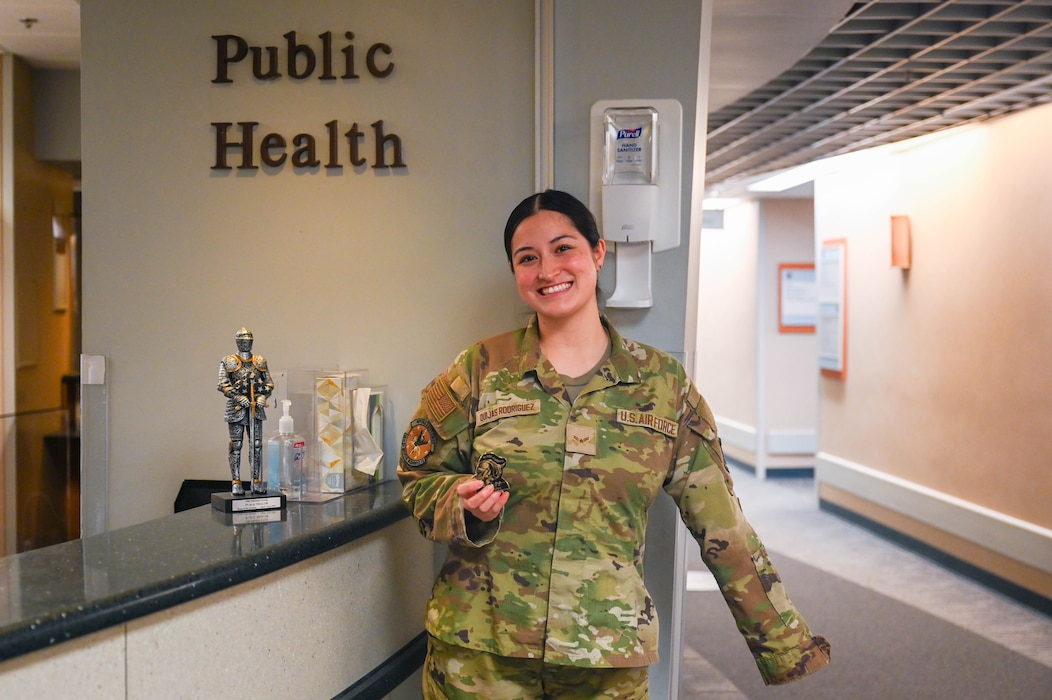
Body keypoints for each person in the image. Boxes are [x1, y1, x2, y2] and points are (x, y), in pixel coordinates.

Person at [397, 190, 830, 699]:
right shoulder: (479, 370)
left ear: (597, 253)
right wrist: (461, 505)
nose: (547, 270)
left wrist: (782, 643)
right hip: (480, 654)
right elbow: (418, 477)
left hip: (604, 654)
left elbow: (722, 525)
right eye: (527, 258)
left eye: (564, 249)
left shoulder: (663, 385)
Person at [217, 327, 274, 495]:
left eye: (248, 341)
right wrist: (237, 397)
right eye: (242, 341)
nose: (245, 343)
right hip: (236, 408)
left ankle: (255, 481)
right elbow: (222, 383)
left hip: (256, 407)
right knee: (236, 445)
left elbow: (268, 383)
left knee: (256, 445)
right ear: (237, 342)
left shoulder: (260, 361)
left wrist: (264, 396)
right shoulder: (228, 361)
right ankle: (236, 481)